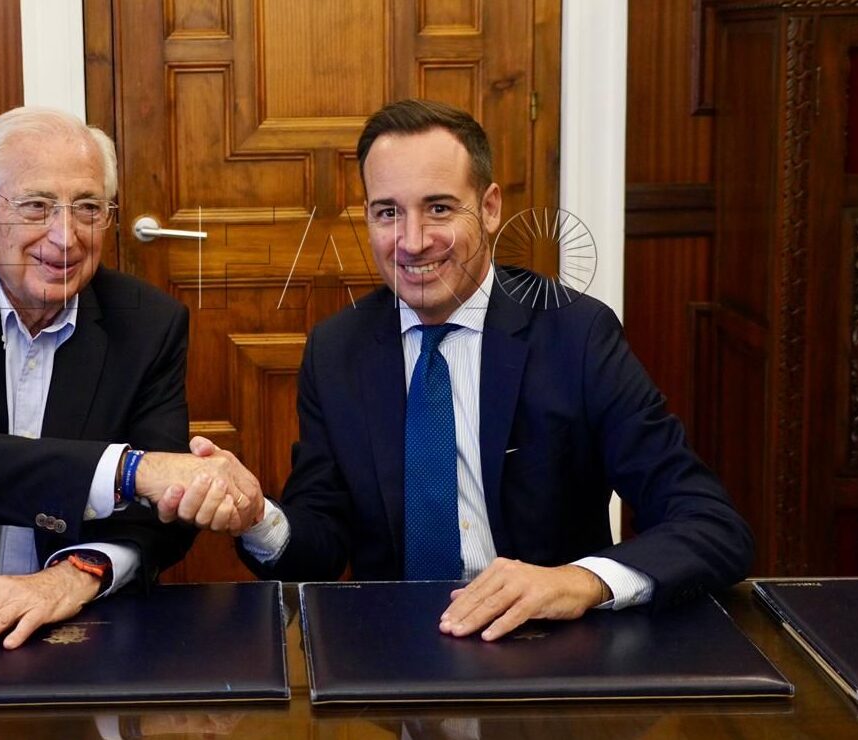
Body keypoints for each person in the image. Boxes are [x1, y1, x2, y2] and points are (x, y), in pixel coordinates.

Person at [204, 98, 753, 641]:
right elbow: (320, 547)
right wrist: (258, 518)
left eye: (439, 208)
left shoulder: (575, 335)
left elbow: (710, 524)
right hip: (393, 649)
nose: (412, 241)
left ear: (489, 208)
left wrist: (579, 581)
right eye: (388, 212)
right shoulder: (337, 350)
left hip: (545, 645)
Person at [0, 106, 264, 652]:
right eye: (36, 206)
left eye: (88, 208)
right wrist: (131, 470)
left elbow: (164, 514)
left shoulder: (149, 323)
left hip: (85, 626)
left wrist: (74, 575)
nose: (66, 237)